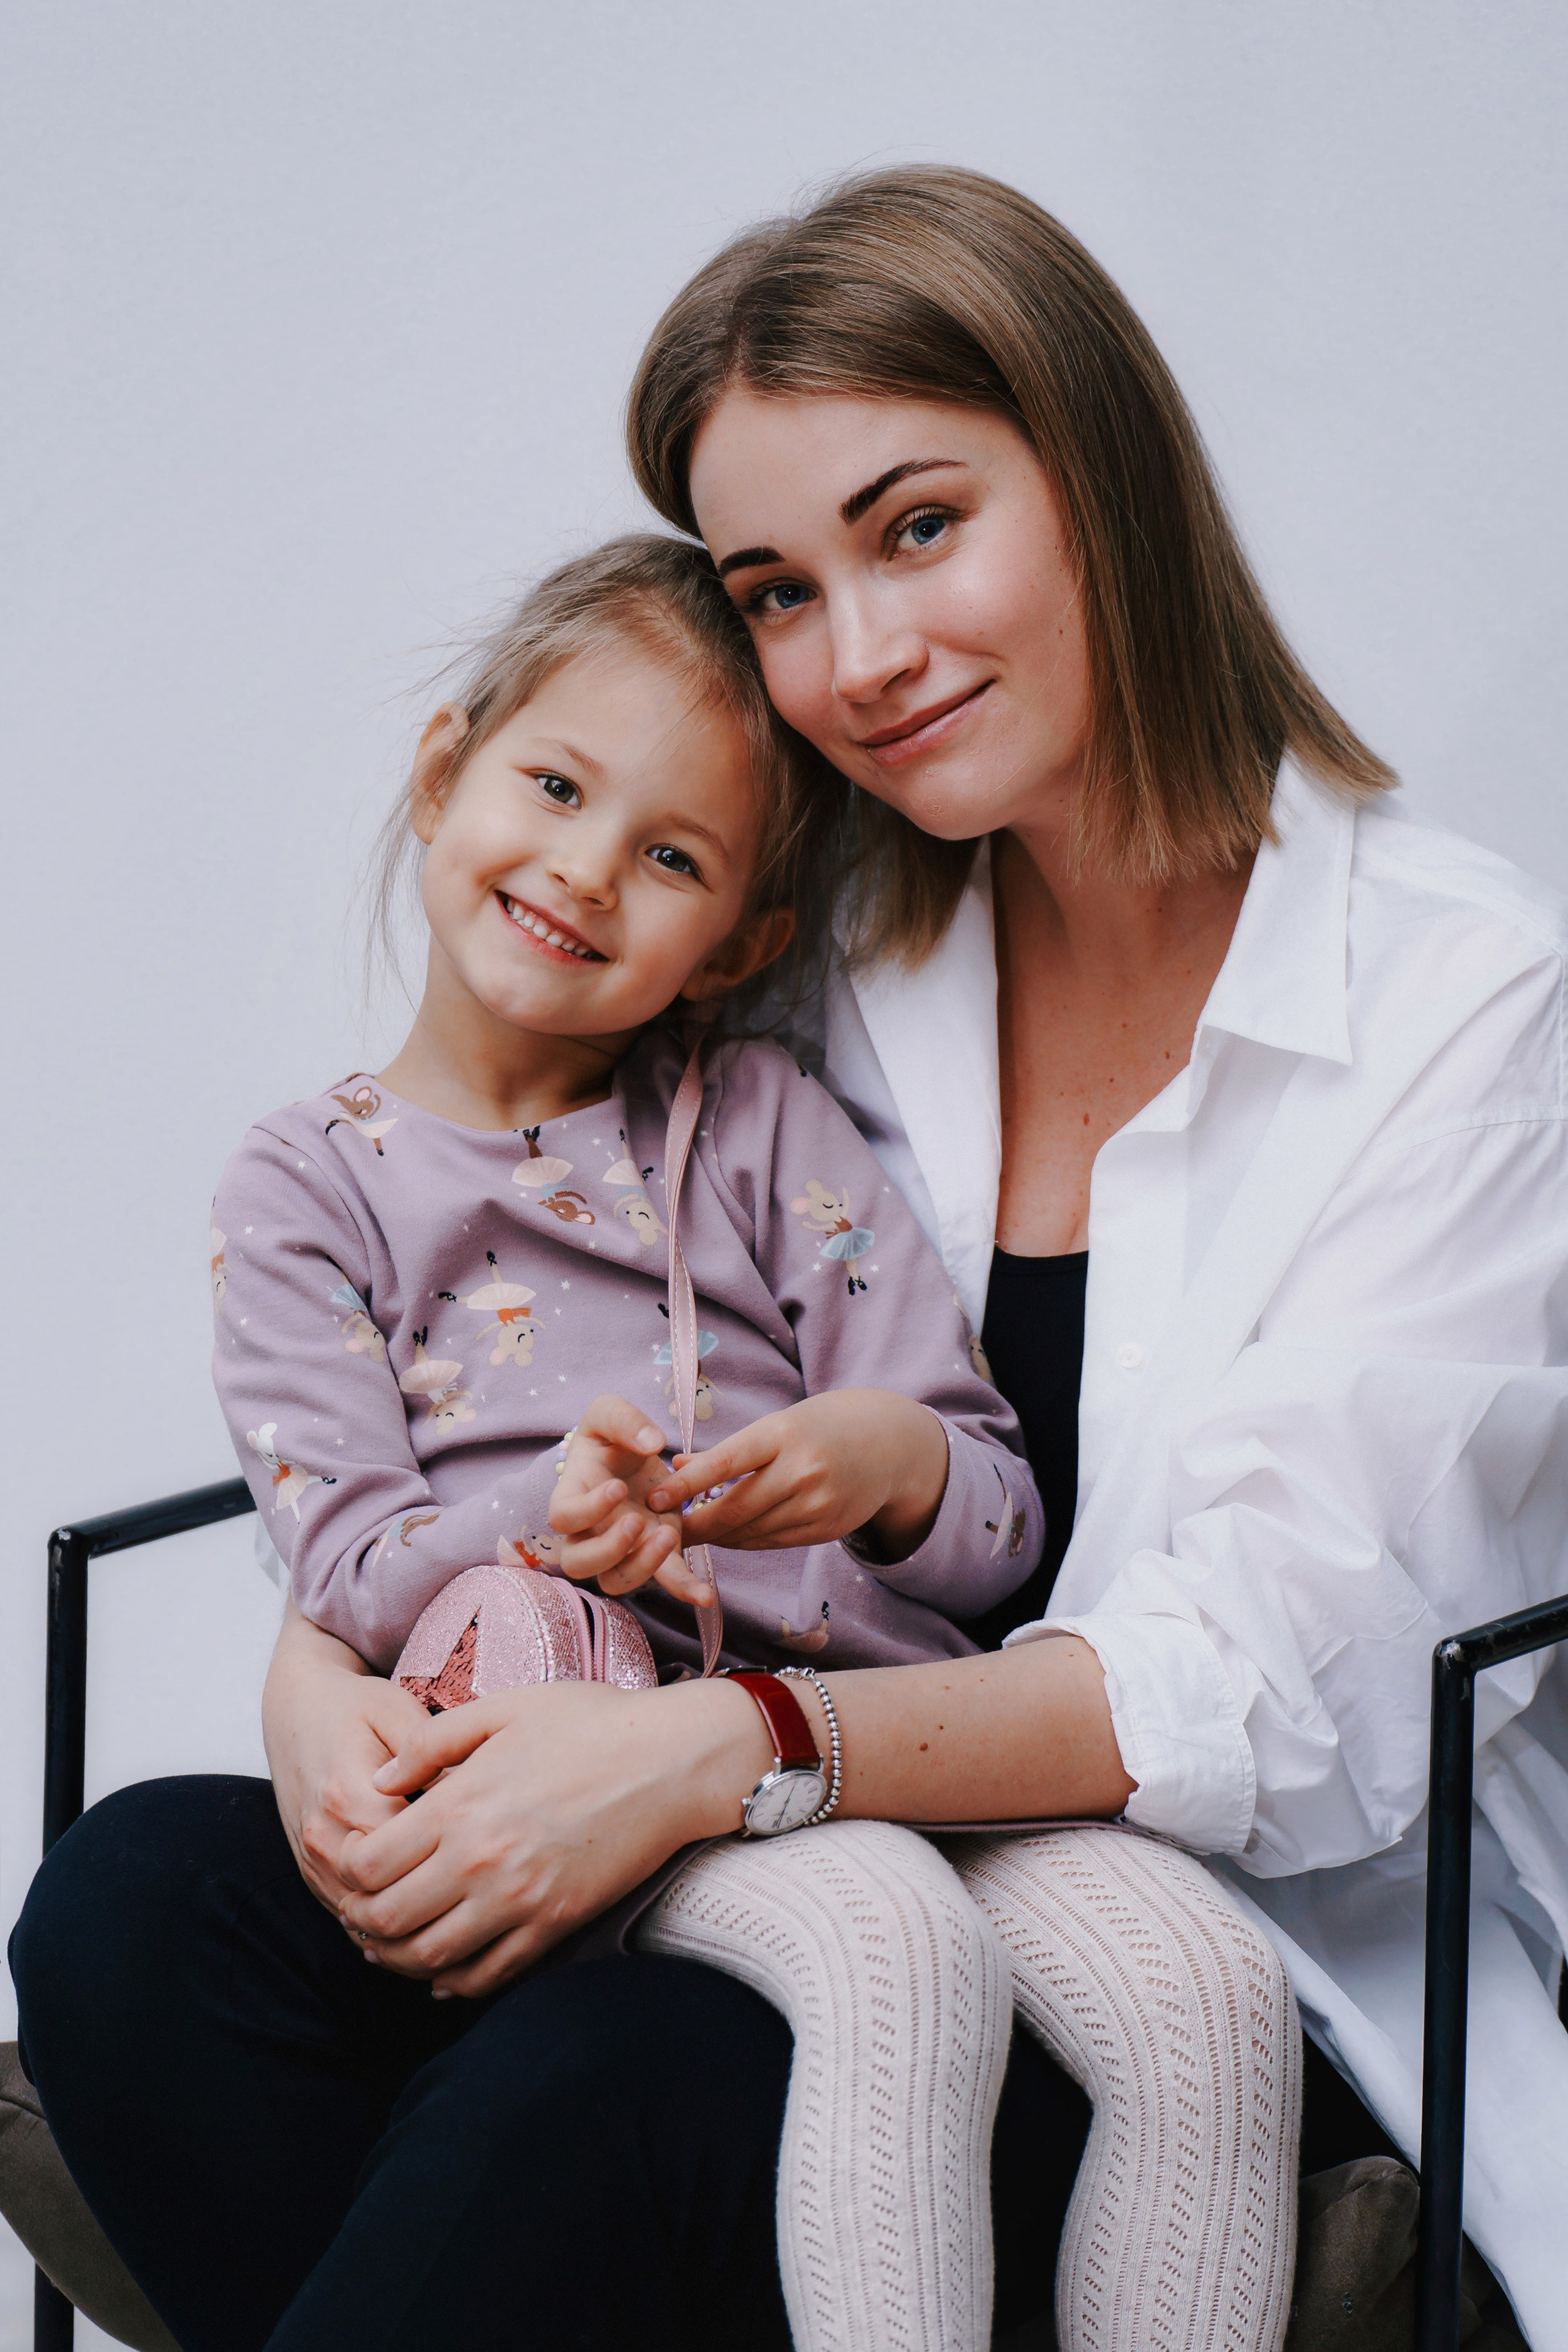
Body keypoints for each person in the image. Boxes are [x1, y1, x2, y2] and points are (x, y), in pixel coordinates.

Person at [15, 157, 1562, 2348]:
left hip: (1198, 1921)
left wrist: (714, 1748)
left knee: (609, 2083)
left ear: (1099, 466)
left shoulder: (1460, 993)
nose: (865, 660)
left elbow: (1283, 1705)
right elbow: (499, 1290)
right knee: (129, 1906)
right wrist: (323, 1680)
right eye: (777, 588)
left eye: (919, 527)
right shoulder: (816, 933)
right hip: (725, 1785)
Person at [209, 525, 1055, 2352]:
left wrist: (883, 1456)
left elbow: (999, 1526)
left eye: (669, 855)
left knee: (1192, 1988)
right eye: (556, 786)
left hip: (843, 1759)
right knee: (864, 1936)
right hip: (564, 1793)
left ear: (738, 941)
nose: (586, 871)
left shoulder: (757, 1124)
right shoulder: (306, 1189)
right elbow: (344, 1571)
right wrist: (538, 1509)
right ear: (447, 776)